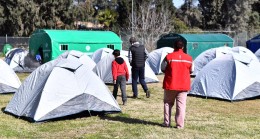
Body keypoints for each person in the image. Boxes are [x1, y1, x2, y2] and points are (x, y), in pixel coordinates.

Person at [160, 39, 192, 129]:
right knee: (181, 106)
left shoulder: (168, 57)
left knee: (167, 103)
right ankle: (180, 125)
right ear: (183, 47)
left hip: (170, 84)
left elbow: (162, 68)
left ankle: (166, 123)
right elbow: (192, 70)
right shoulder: (189, 58)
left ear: (174, 46)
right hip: (183, 85)